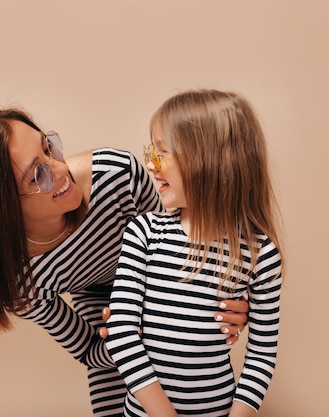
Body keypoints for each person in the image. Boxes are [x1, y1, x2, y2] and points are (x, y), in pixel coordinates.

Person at [0, 108, 249, 417]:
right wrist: (121, 337)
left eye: (49, 147)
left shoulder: (116, 177)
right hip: (101, 310)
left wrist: (230, 301)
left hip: (164, 284)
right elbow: (88, 350)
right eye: (37, 176)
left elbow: (186, 246)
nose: (60, 169)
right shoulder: (17, 281)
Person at [106, 89, 284, 417]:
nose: (149, 163)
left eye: (162, 151)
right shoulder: (143, 234)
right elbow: (121, 334)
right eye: (151, 150)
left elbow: (261, 355)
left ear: (209, 160)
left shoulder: (261, 254)